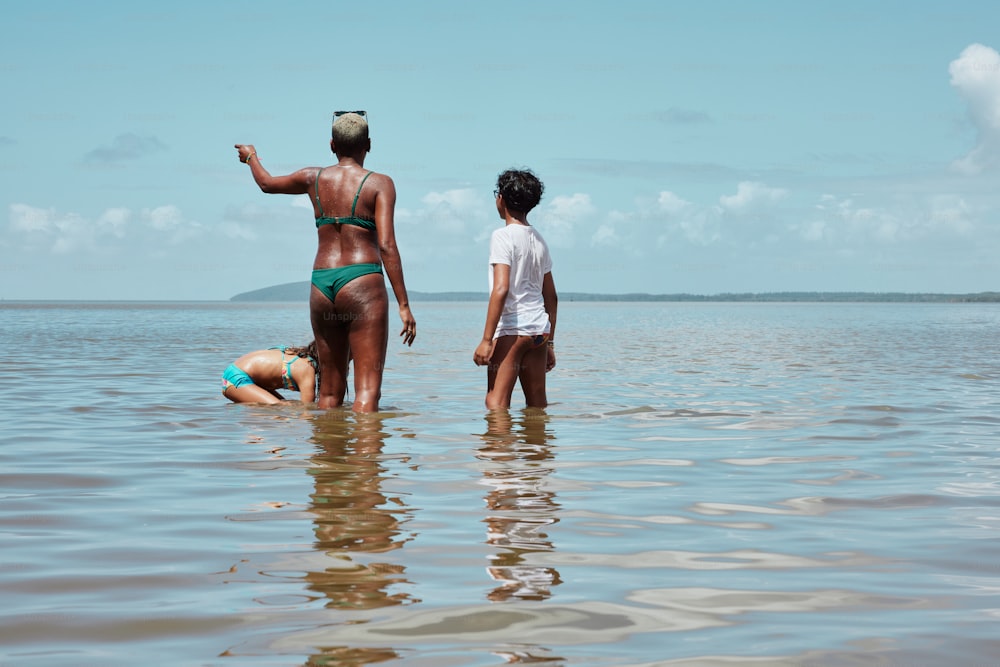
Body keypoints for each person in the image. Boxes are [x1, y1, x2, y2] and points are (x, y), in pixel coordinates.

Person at [235, 111, 416, 412]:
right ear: (368, 145)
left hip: (322, 284)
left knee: (329, 394)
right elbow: (386, 245)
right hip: (362, 283)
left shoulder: (312, 178)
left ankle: (326, 459)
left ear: (332, 145)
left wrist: (251, 156)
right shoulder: (380, 184)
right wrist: (404, 305)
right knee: (367, 394)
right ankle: (366, 460)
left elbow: (266, 184)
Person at [473, 169, 558, 409]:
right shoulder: (540, 240)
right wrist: (550, 343)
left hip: (513, 329)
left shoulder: (503, 236)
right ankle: (538, 447)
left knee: (496, 402)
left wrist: (487, 340)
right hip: (539, 332)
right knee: (537, 404)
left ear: (501, 199)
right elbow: (551, 296)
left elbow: (500, 289)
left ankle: (498, 446)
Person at [222, 342, 318, 404]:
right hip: (238, 378)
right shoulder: (307, 369)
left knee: (284, 405)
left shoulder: (299, 356)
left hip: (240, 373)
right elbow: (307, 409)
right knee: (280, 407)